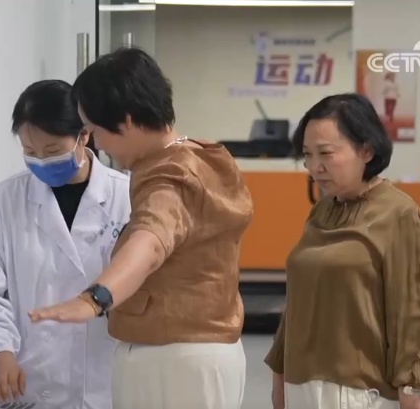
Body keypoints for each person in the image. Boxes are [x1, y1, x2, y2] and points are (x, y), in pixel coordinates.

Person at [29, 47, 254, 409]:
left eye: (96, 131)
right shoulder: (202, 156)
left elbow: (149, 243)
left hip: (174, 361)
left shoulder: (169, 176)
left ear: (128, 120)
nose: (98, 145)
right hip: (198, 355)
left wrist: (93, 300)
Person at [0, 79, 131, 409]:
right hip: (28, 382)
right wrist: (0, 353)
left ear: (84, 136)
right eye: (30, 152)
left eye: (53, 151)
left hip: (104, 381)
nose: (41, 161)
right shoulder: (5, 201)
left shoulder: (125, 197)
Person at [265, 93, 420, 409]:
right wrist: (280, 380)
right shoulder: (322, 211)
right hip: (299, 385)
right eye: (307, 155)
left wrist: (411, 394)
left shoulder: (399, 215)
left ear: (366, 150)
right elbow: (297, 303)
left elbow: (412, 313)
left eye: (326, 153)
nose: (315, 167)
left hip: (357, 393)